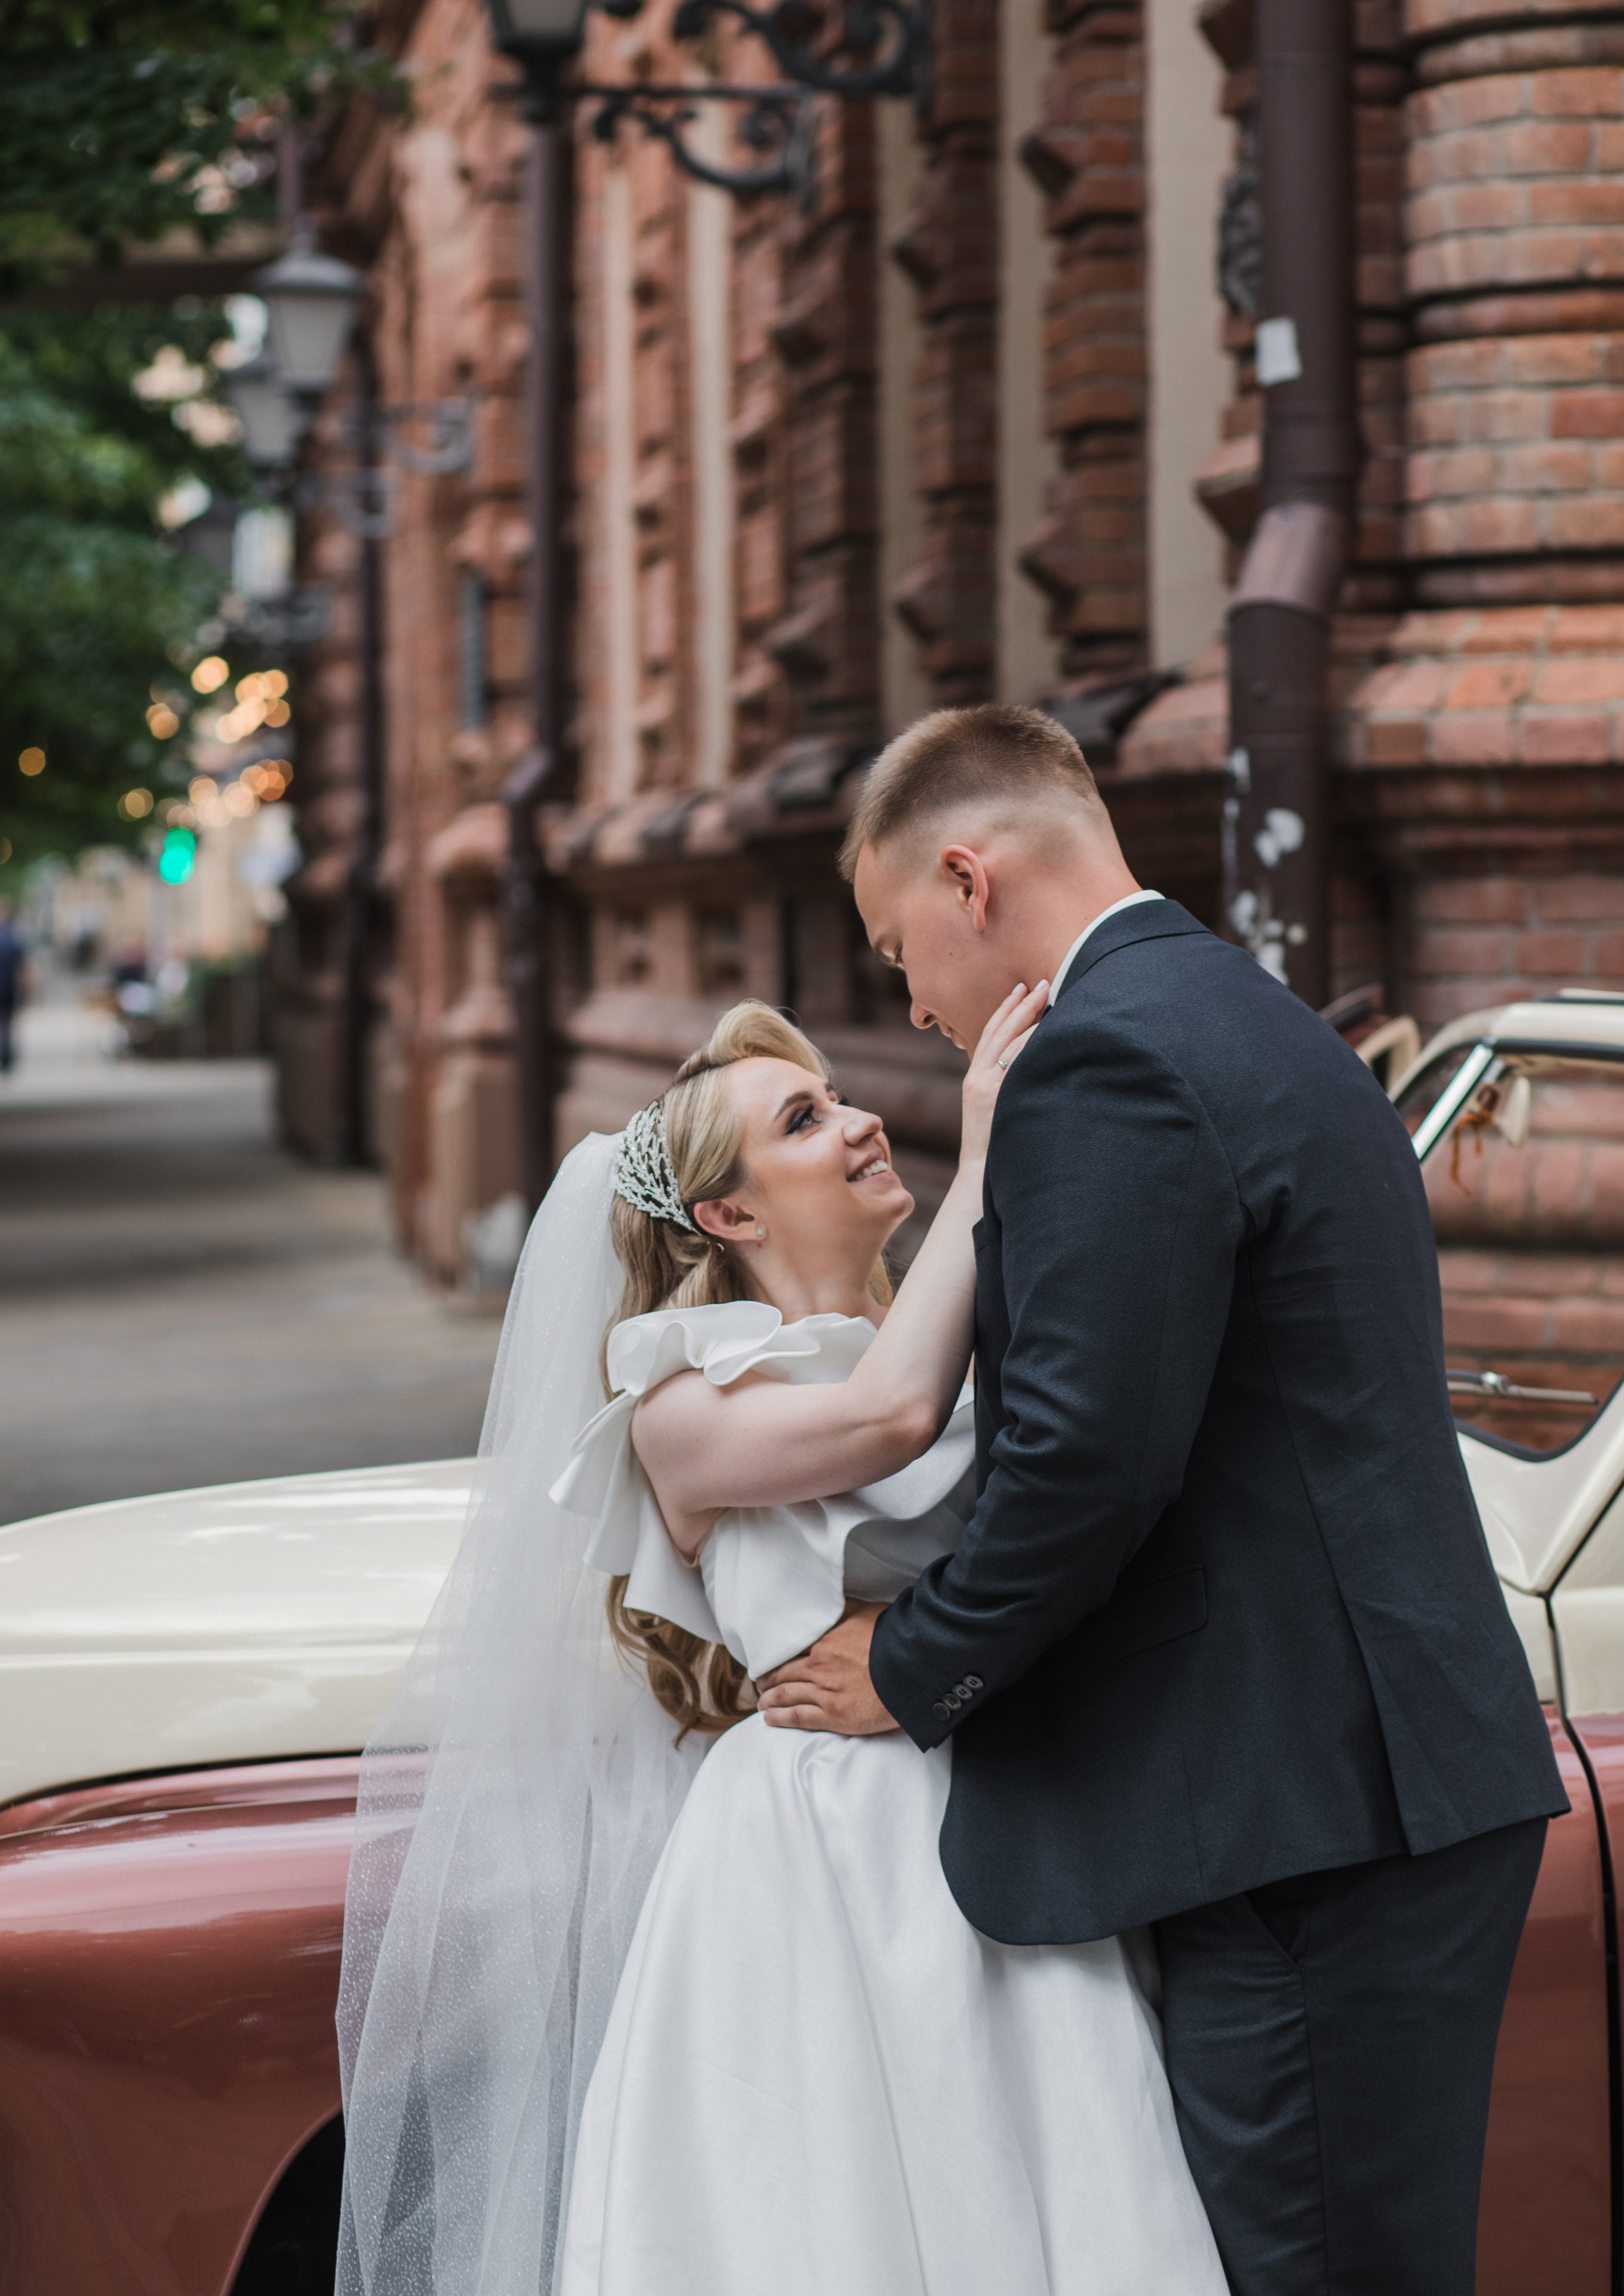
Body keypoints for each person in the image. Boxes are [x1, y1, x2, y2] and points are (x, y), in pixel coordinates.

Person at [758, 703, 1568, 2296]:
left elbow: (1083, 1459)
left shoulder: (1104, 1057)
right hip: (1355, 1788)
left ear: (966, 875)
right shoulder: (1240, 1012)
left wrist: (910, 1661)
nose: (908, 1000)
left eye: (893, 942)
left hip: (1308, 1826)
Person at [337, 998, 1228, 2296]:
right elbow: (888, 1419)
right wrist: (986, 1156)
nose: (863, 1120)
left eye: (834, 1098)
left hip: (1007, 1817)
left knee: (1048, 2184)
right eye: (804, 1120)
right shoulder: (677, 1408)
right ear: (729, 1217)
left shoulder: (953, 1333)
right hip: (819, 1848)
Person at [0, 902, 25, 1075]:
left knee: (7, 1022)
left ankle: (6, 1055)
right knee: (7, 1022)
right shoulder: (13, 935)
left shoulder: (12, 936)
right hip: (8, 986)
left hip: (8, 986)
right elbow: (22, 966)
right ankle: (6, 1057)